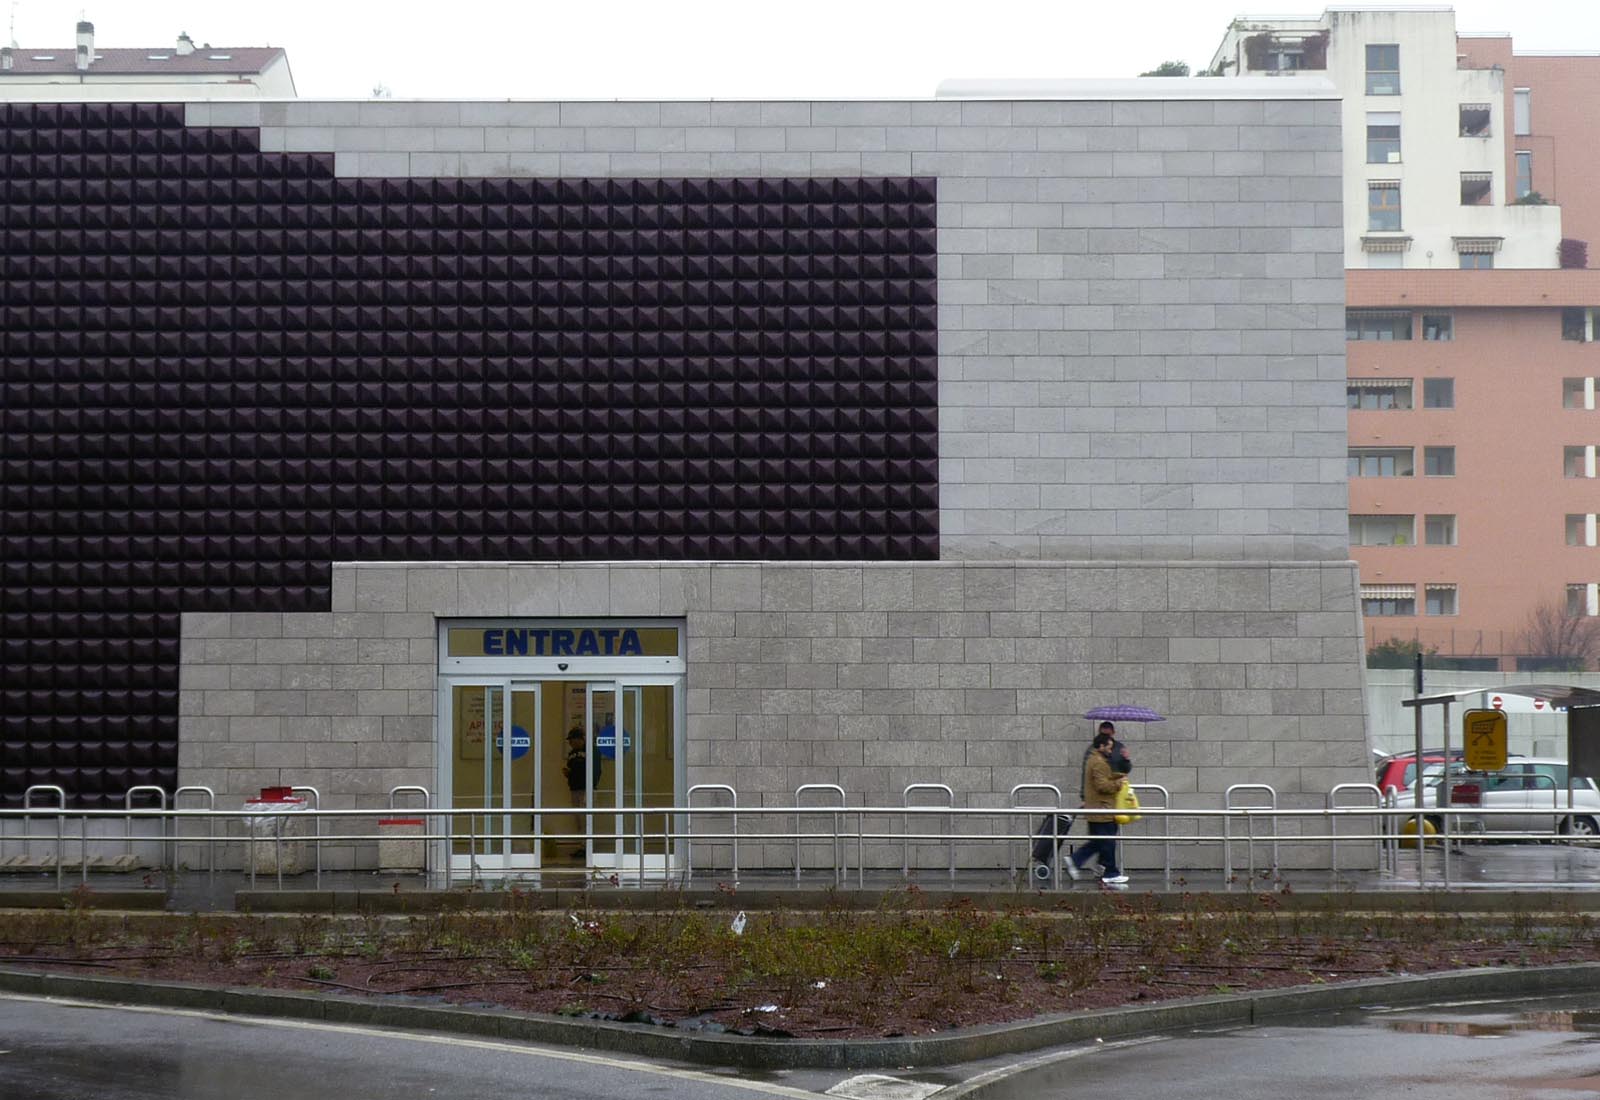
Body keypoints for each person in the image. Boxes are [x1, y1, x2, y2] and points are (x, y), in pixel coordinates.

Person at [1067, 729, 1130, 887]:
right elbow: (1102, 785)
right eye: (1108, 747)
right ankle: (1109, 872)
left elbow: (1101, 779)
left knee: (1100, 841)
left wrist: (1117, 776)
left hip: (1098, 808)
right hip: (1102, 808)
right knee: (1106, 842)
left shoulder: (1096, 760)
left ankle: (1089, 865)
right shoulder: (1099, 762)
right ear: (1101, 746)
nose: (1110, 750)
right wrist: (1118, 783)